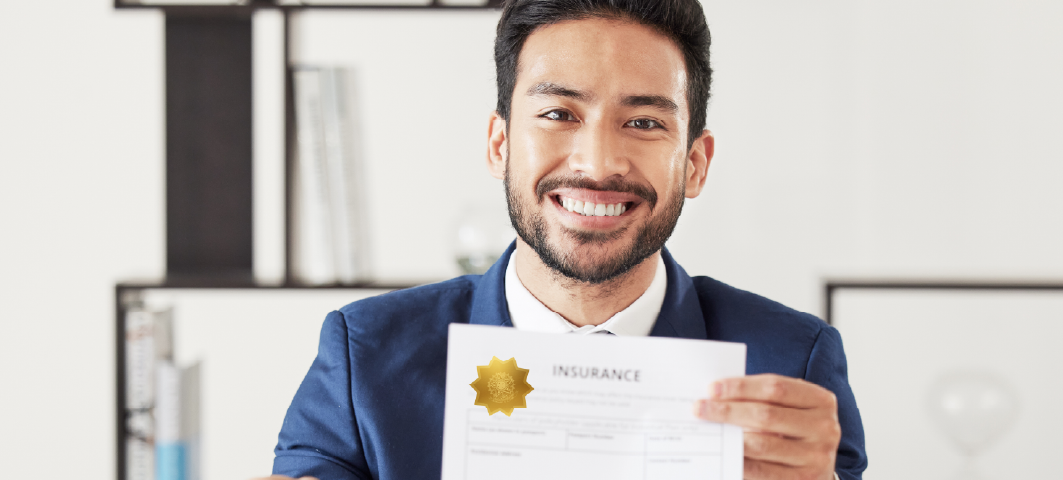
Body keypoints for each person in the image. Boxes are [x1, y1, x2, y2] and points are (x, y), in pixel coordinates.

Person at [267, 1, 866, 479]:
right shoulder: (364, 359)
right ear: (500, 144)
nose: (599, 162)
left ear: (695, 163)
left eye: (644, 123)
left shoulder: (792, 363)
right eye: (558, 114)